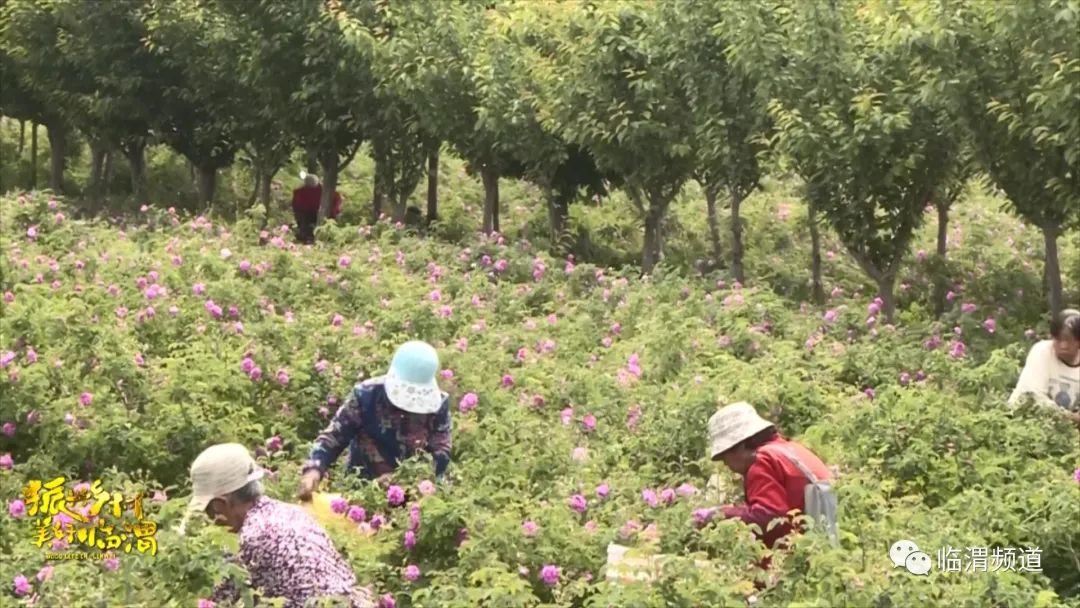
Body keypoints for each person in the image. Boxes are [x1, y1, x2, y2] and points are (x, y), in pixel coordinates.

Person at [184, 443, 373, 608]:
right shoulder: (292, 512)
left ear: (221, 505)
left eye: (209, 512)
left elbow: (218, 603)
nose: (210, 521)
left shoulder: (248, 539)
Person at [298, 341, 452, 501]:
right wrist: (314, 470)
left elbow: (440, 453)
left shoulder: (438, 405)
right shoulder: (366, 395)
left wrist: (405, 482)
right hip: (360, 493)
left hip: (416, 498)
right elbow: (334, 436)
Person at [702, 402, 832, 553]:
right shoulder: (790, 449)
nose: (725, 462)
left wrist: (720, 514)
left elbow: (768, 517)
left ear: (740, 446)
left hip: (796, 556)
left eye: (725, 455)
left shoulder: (763, 461)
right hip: (823, 545)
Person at [1009, 309, 1080, 425]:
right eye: (1058, 339)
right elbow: (1033, 396)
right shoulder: (1042, 351)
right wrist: (1070, 417)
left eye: (1068, 340)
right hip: (1023, 420)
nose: (1063, 346)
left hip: (1059, 429)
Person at [291, 173, 342, 244]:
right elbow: (337, 204)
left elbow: (295, 206)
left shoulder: (298, 192)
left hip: (307, 216)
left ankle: (305, 235)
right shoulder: (329, 192)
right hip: (322, 216)